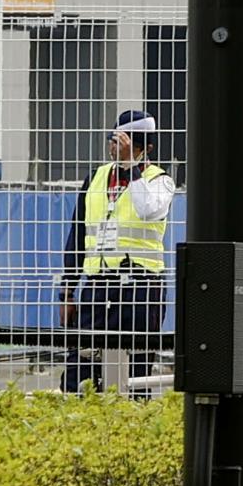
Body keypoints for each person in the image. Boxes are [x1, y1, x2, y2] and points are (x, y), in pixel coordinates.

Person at [61, 107, 175, 391]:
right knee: (80, 367)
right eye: (114, 141)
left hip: (141, 288)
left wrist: (131, 168)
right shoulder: (96, 179)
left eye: (125, 144)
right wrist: (67, 290)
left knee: (134, 375)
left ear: (145, 148)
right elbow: (77, 237)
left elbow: (148, 210)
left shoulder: (160, 181)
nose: (115, 149)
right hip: (97, 286)